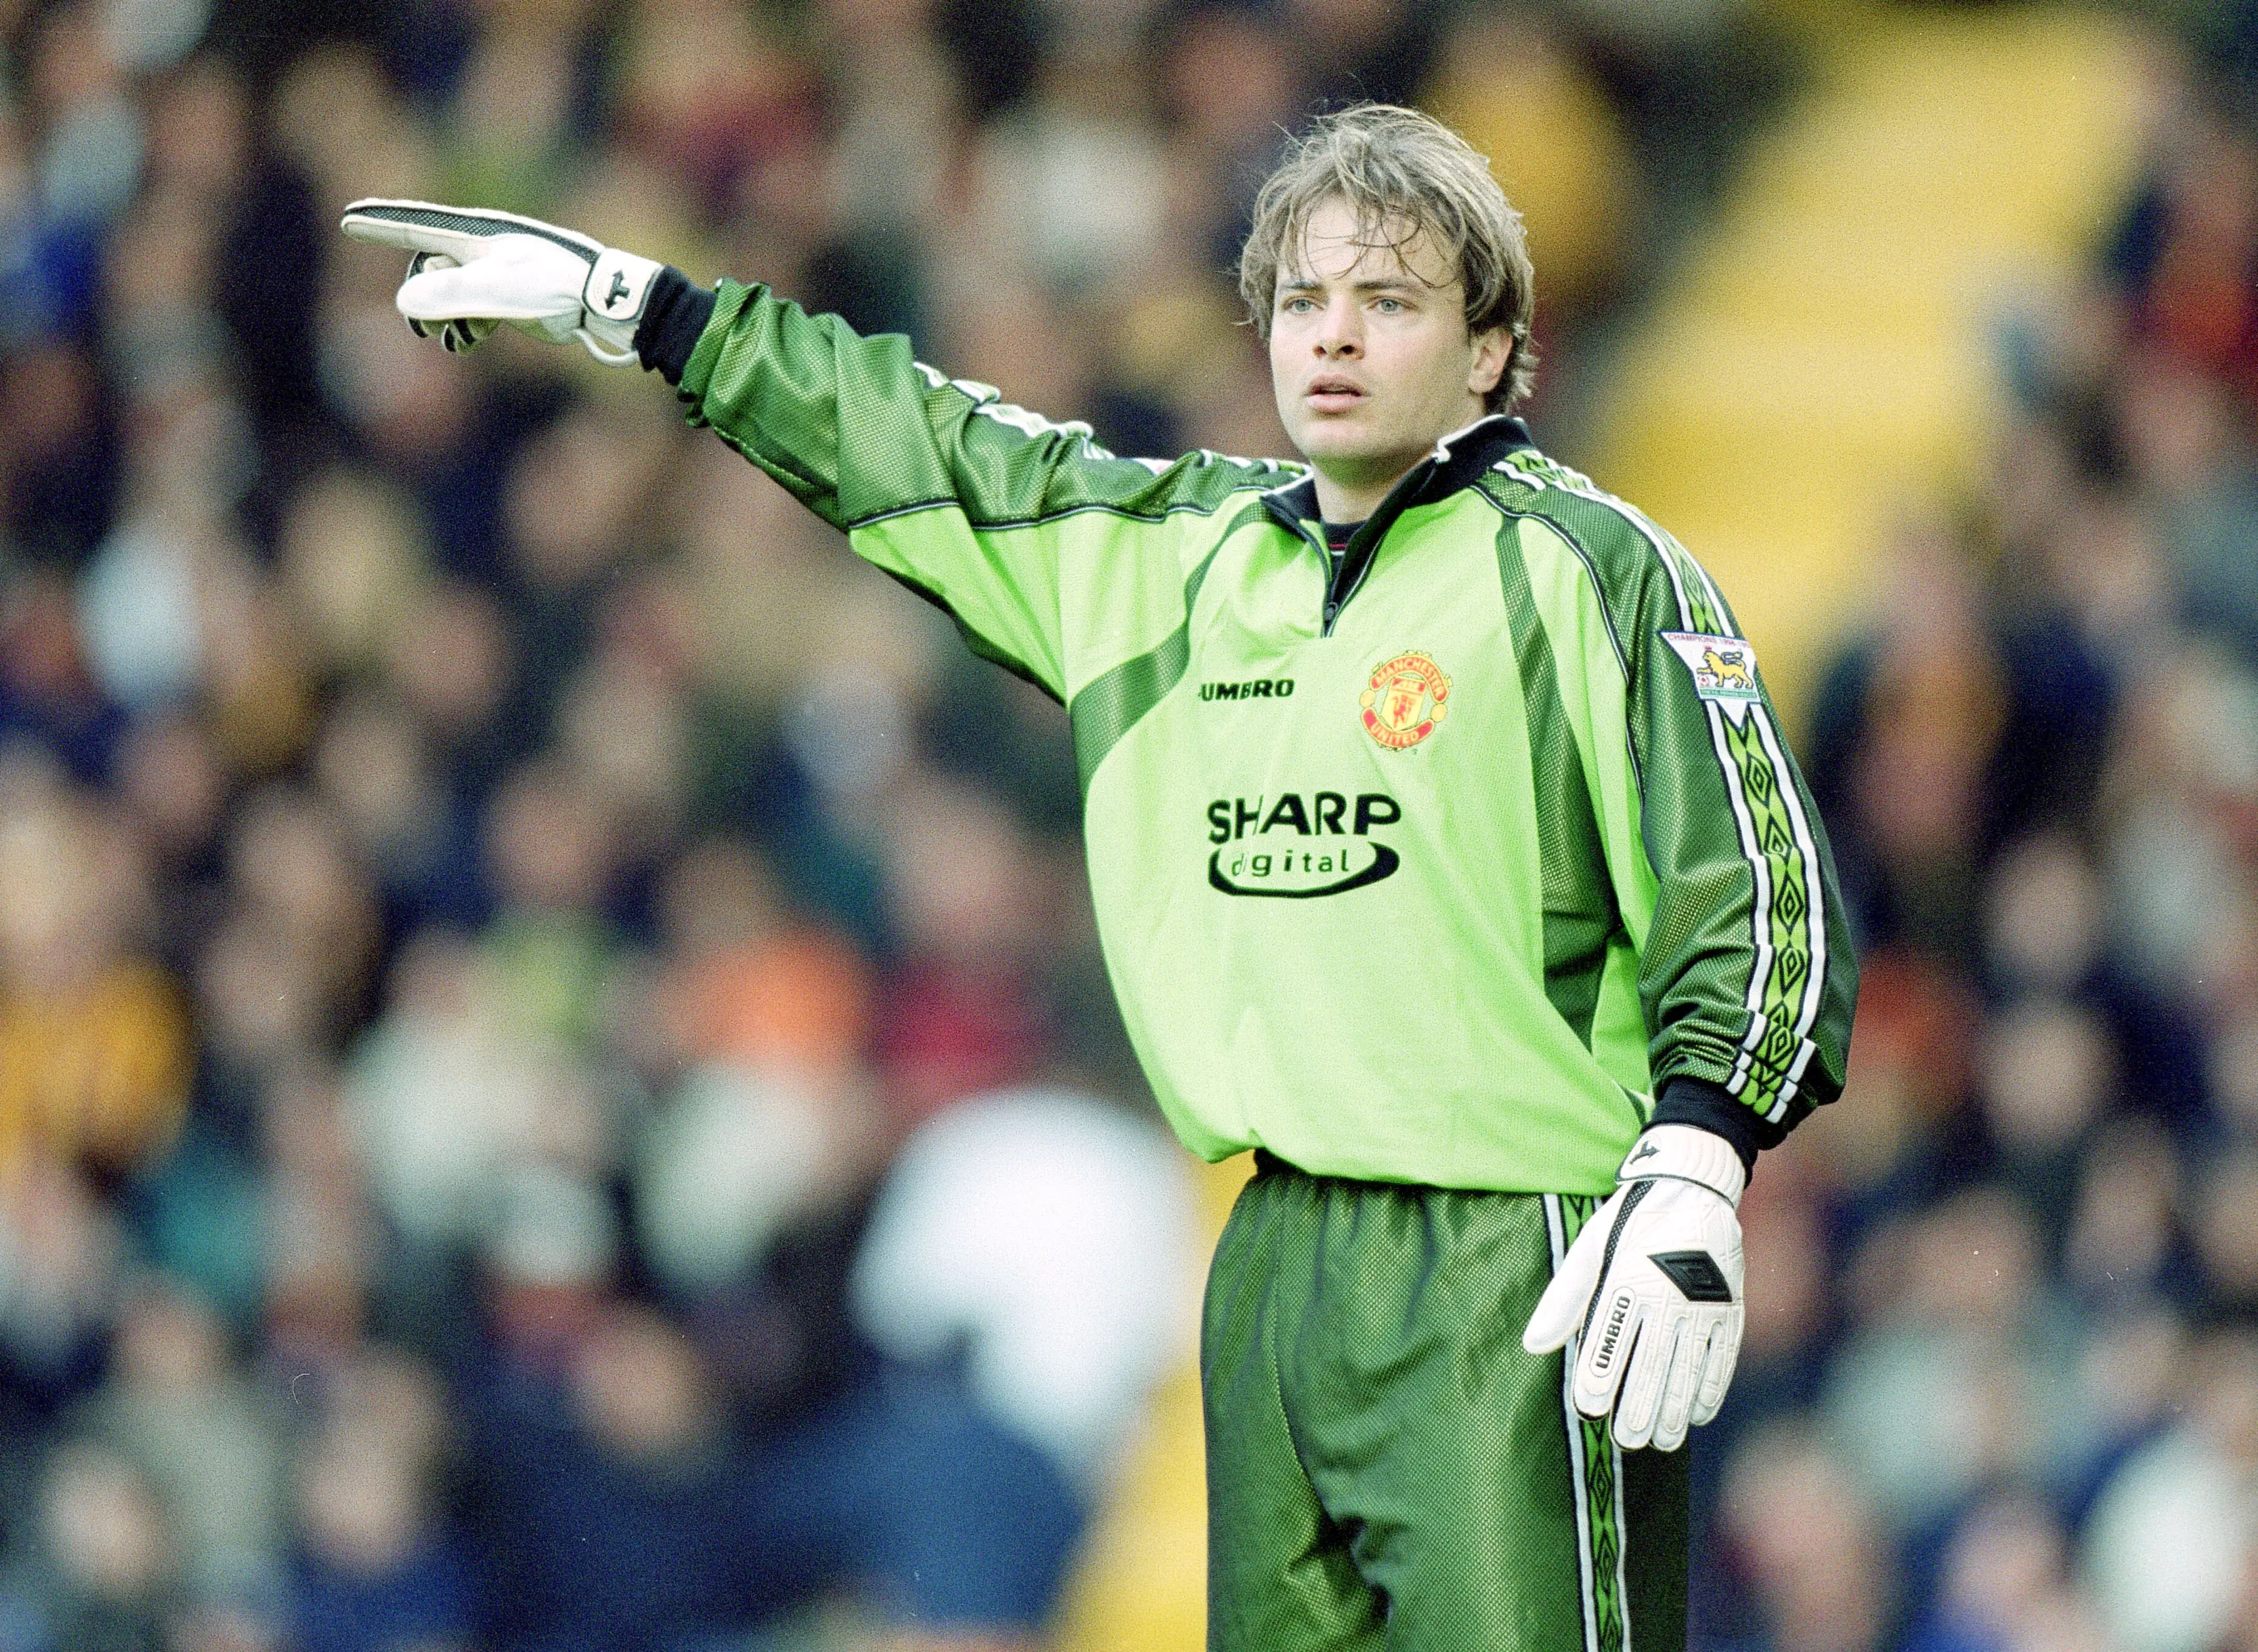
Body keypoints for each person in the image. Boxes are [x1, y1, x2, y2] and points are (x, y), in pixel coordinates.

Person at [340, 102, 1858, 1650]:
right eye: (1301, 299)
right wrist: (650, 314)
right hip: (1270, 1256)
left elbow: (1754, 879)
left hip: (1513, 1257)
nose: (1330, 338)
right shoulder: (1169, 559)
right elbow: (920, 439)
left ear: (1489, 351)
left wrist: (1695, 1162)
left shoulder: (1590, 571)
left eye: (1387, 301)